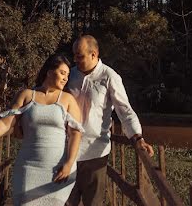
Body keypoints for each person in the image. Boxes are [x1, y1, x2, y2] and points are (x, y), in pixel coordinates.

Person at [0, 54, 84, 206]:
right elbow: (5, 124)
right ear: (49, 72)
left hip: (58, 168)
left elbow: (75, 134)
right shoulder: (27, 95)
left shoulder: (68, 100)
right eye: (62, 73)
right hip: (29, 167)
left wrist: (69, 163)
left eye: (67, 75)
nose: (65, 78)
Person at [66, 35, 154, 206]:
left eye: (80, 56)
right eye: (74, 55)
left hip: (95, 154)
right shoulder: (70, 74)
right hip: (66, 151)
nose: (75, 59)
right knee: (65, 202)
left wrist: (138, 138)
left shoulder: (109, 76)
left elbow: (124, 110)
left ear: (94, 54)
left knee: (93, 203)